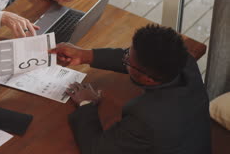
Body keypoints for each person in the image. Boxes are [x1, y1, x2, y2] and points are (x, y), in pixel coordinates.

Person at [49, 24, 211, 154]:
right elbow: (138, 60)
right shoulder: (184, 61)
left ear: (148, 78)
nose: (124, 58)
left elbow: (96, 149)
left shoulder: (146, 118)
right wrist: (84, 55)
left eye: (127, 61)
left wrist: (86, 103)